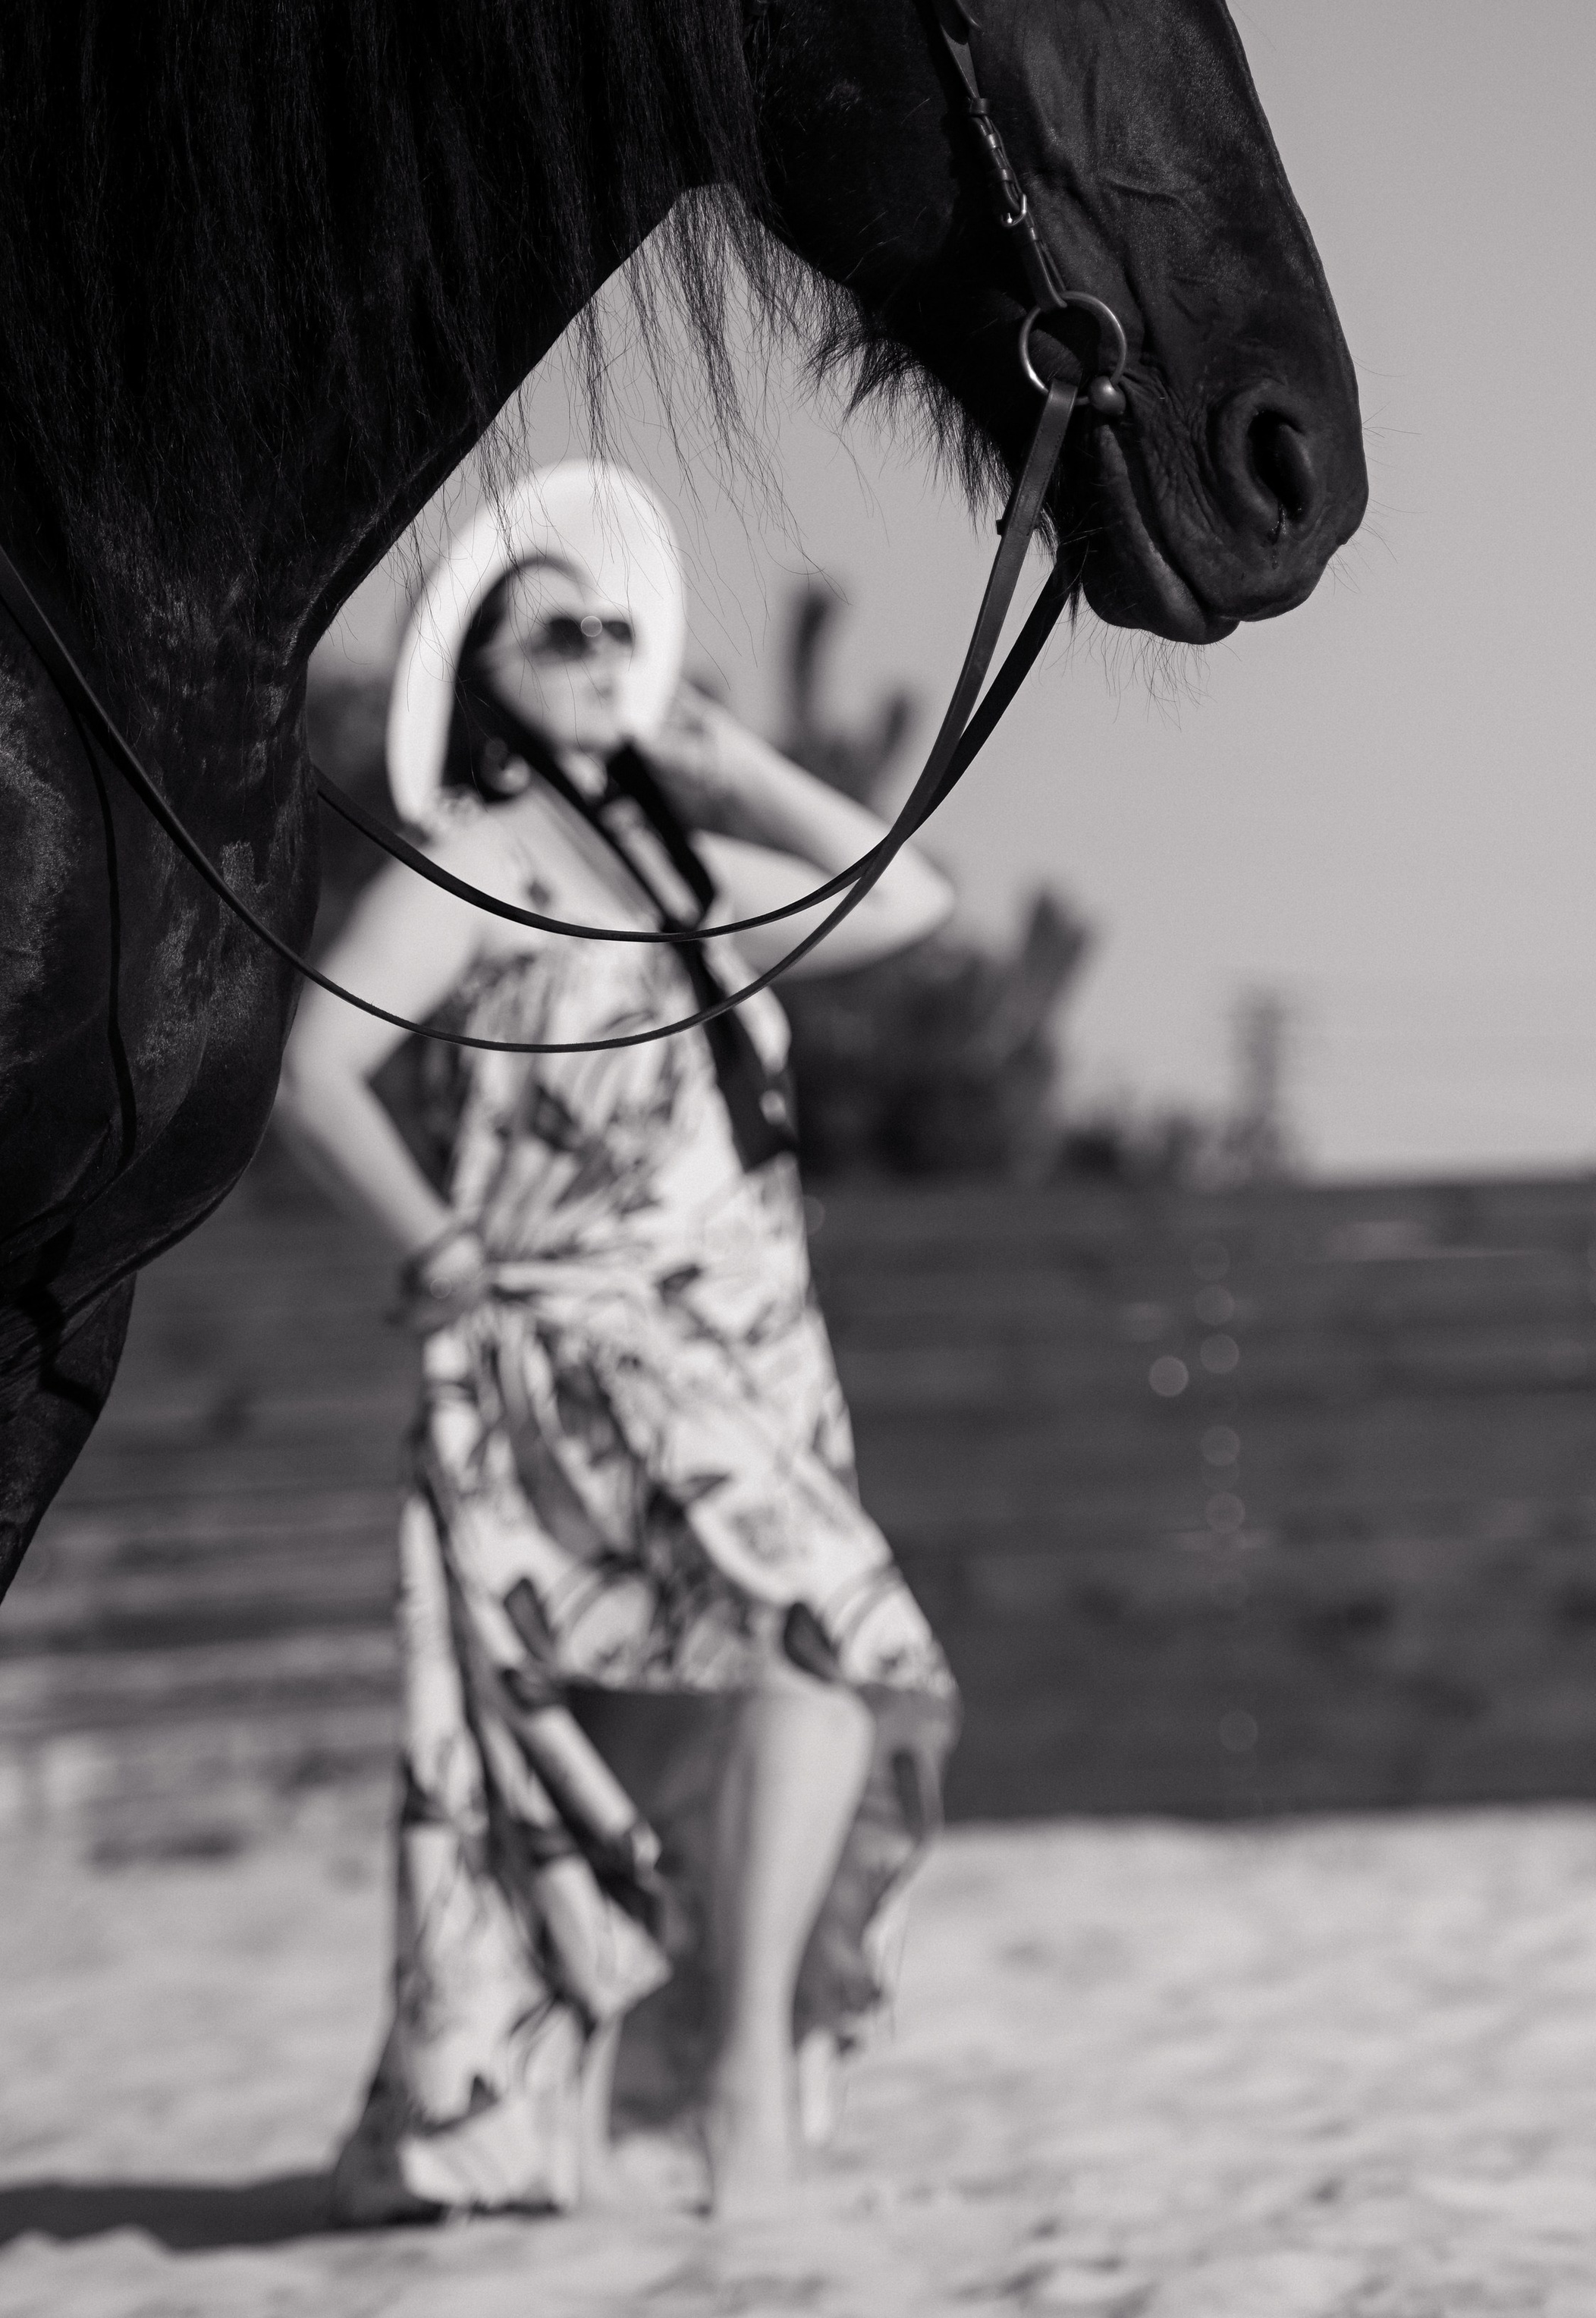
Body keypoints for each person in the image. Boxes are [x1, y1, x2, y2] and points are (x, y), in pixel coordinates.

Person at [275, 462, 958, 2223]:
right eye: (554, 635)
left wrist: (733, 765)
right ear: (486, 681)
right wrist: (424, 1238)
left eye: (612, 631)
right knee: (820, 1639)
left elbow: (910, 908)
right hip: (574, 1345)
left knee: (774, 1686)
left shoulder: (683, 864)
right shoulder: (480, 862)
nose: (596, 656)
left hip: (747, 1356)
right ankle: (729, 2091)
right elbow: (314, 1068)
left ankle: (674, 2085)